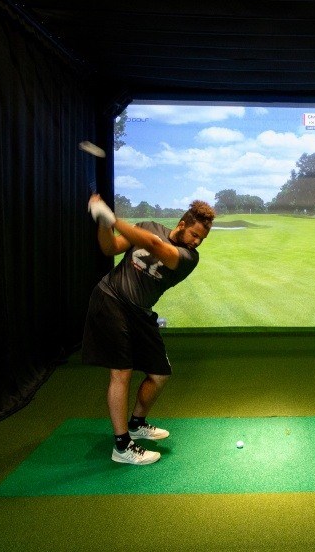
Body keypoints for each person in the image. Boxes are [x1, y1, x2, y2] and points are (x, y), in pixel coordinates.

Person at [83, 193, 215, 465]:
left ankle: (136, 423)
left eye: (201, 239)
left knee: (160, 374)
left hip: (140, 312)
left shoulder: (189, 257)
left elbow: (156, 246)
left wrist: (113, 217)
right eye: (194, 234)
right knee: (121, 373)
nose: (196, 241)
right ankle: (122, 446)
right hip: (111, 299)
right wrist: (103, 223)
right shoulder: (147, 226)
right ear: (181, 223)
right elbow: (110, 248)